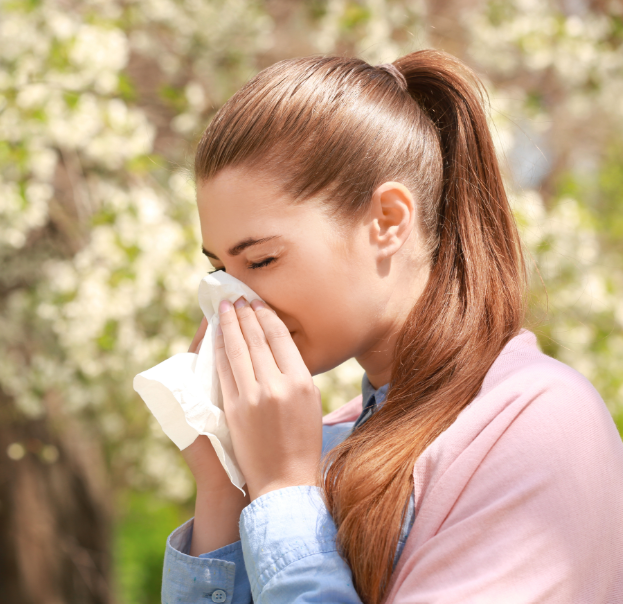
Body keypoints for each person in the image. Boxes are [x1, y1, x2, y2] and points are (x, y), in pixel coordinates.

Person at [159, 49, 623, 604]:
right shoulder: (327, 442)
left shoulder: (535, 422)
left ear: (387, 222)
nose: (232, 301)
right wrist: (224, 484)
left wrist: (284, 490)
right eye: (218, 270)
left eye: (260, 261)